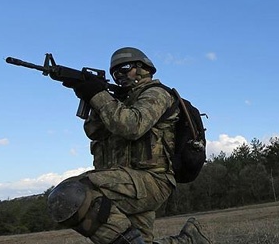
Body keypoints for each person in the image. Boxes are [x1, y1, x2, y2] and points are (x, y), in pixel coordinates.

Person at [47, 47, 212, 244]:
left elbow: (132, 126)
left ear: (144, 68)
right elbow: (94, 131)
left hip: (151, 180)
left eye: (125, 68)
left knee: (71, 193)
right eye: (115, 72)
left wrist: (98, 95)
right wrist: (93, 96)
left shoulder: (157, 94)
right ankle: (190, 240)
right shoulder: (118, 102)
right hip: (127, 181)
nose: (119, 75)